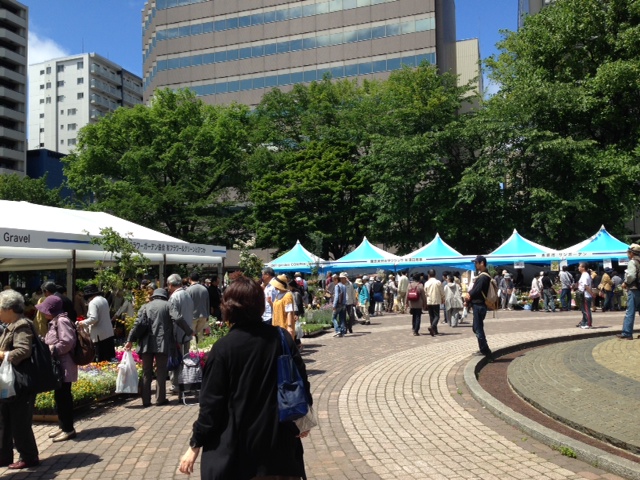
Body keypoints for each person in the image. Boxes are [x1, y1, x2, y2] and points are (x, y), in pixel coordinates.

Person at [178, 276, 312, 479]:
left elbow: (211, 407)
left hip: (237, 455)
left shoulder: (223, 349)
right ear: (260, 305)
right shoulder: (281, 338)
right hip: (279, 452)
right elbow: (302, 382)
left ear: (228, 308)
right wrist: (300, 420)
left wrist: (195, 444)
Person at [125, 288, 191, 407]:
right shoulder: (168, 305)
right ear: (165, 296)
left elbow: (136, 324)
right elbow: (178, 318)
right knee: (161, 371)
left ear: (154, 296)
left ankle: (146, 400)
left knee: (146, 372)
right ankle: (160, 399)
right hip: (163, 343)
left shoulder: (145, 306)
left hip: (146, 343)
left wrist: (130, 340)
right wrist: (189, 331)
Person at [0, 290, 39, 469]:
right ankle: (4, 456)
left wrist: (2, 355)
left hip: (19, 382)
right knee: (4, 420)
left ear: (9, 309)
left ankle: (29, 457)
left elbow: (23, 350)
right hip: (9, 382)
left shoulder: (21, 325)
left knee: (19, 421)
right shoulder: (12, 324)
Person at [37, 295, 78, 442]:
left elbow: (67, 342)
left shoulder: (61, 321)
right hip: (59, 365)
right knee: (59, 397)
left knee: (64, 398)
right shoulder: (56, 321)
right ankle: (63, 426)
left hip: (64, 365)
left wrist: (51, 349)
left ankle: (68, 429)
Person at [167, 274, 194, 395]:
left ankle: (176, 385)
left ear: (171, 284)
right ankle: (186, 383)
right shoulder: (187, 294)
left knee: (176, 360)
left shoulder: (174, 297)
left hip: (177, 333)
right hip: (187, 332)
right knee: (186, 359)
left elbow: (174, 316)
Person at [78, 284, 115, 362]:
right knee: (108, 359)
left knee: (100, 360)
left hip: (99, 335)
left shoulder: (93, 303)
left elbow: (94, 318)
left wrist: (81, 322)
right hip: (108, 332)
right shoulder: (104, 300)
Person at [465, 255, 492, 357]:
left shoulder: (484, 277)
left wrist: (469, 295)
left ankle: (485, 351)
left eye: (476, 263)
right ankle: (483, 348)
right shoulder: (482, 275)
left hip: (479, 305)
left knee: (478, 328)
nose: (475, 265)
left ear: (482, 263)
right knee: (476, 328)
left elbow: (477, 290)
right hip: (478, 305)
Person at [617, 243, 640, 339]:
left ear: (631, 253)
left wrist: (625, 283)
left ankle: (627, 333)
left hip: (634, 289)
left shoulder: (632, 262)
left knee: (630, 311)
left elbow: (631, 276)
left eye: (628, 252)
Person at [271, 274, 297, 340]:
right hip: (277, 324)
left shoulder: (287, 295)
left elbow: (289, 312)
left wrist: (289, 326)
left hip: (284, 324)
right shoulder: (278, 295)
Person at [188, 272, 210, 343]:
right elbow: (207, 303)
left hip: (192, 316)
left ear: (190, 279)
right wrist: (207, 315)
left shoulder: (189, 290)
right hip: (203, 315)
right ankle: (201, 352)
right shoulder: (205, 289)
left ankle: (193, 352)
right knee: (200, 335)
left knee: (192, 336)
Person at [424, 269, 444, 336]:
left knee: (431, 316)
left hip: (429, 300)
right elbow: (442, 291)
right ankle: (432, 327)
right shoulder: (438, 282)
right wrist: (443, 298)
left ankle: (434, 330)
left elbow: (425, 292)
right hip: (436, 300)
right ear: (435, 274)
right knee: (437, 316)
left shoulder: (426, 283)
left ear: (429, 275)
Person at [576, 262, 594, 329]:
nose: (578, 267)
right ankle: (583, 322)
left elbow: (586, 286)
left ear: (583, 268)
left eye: (579, 266)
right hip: (583, 294)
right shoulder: (584, 275)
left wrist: (591, 293)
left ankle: (588, 324)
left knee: (586, 310)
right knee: (584, 310)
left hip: (585, 294)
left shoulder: (585, 275)